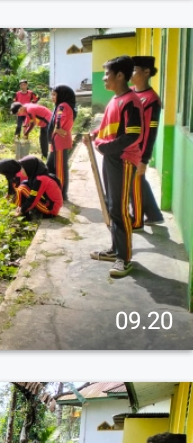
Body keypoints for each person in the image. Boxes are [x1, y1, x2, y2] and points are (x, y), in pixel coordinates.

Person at [90, 56, 144, 279]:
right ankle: (115, 250)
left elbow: (133, 134)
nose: (104, 78)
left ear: (120, 75)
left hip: (122, 159)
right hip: (111, 157)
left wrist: (106, 147)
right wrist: (95, 136)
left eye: (106, 74)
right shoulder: (115, 100)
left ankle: (125, 258)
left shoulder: (131, 101)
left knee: (121, 209)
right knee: (113, 207)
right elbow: (109, 129)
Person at [130, 56, 165, 228]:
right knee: (135, 181)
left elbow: (150, 133)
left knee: (134, 183)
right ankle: (154, 214)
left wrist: (144, 159)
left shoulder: (152, 99)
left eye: (134, 69)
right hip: (126, 148)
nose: (131, 73)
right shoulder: (130, 92)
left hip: (138, 151)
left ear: (146, 72)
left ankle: (138, 219)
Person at [47, 85, 77, 199]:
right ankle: (53, 190)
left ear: (62, 95)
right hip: (58, 142)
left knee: (60, 169)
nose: (52, 97)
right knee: (51, 166)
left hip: (60, 142)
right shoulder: (65, 105)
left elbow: (59, 119)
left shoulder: (62, 106)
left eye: (54, 94)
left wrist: (57, 127)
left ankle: (61, 193)